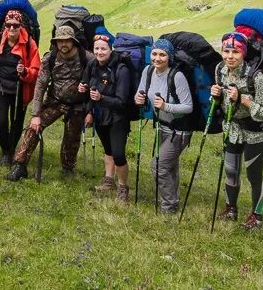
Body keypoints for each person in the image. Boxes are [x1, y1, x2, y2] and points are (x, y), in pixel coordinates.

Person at [7, 25, 90, 181]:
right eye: (60, 41)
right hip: (55, 101)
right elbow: (40, 86)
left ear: (73, 41)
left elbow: (96, 80)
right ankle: (20, 165)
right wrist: (35, 114)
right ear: (55, 42)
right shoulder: (49, 58)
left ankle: (67, 170)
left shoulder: (87, 58)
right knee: (33, 128)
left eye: (66, 41)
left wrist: (91, 110)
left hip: (78, 105)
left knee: (72, 140)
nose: (63, 44)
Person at [211, 31, 263, 230]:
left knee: (254, 175)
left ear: (243, 53)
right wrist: (216, 97)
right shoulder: (220, 69)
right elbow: (221, 100)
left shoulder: (256, 77)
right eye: (226, 51)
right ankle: (231, 209)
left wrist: (245, 101)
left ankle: (257, 216)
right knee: (231, 170)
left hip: (256, 132)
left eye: (235, 52)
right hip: (232, 127)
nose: (230, 56)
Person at [133, 38, 193, 214]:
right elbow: (141, 92)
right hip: (162, 126)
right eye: (154, 53)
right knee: (169, 166)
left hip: (180, 130)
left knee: (158, 166)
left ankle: (168, 206)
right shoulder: (148, 70)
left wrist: (166, 106)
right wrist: (138, 99)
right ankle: (173, 200)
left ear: (170, 57)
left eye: (162, 54)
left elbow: (188, 107)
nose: (157, 58)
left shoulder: (177, 76)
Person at [0, 10, 40, 166]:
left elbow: (36, 70)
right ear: (5, 26)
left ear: (21, 26)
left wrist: (25, 71)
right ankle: (6, 151)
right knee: (0, 123)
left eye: (15, 25)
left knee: (17, 123)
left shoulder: (29, 44)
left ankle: (11, 150)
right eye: (9, 25)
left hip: (20, 89)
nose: (12, 28)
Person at [79, 26, 132, 203]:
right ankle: (109, 181)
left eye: (103, 49)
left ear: (111, 49)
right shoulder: (92, 65)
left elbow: (122, 102)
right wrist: (83, 91)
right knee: (108, 150)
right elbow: (87, 88)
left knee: (118, 154)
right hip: (99, 115)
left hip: (118, 118)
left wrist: (102, 98)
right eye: (97, 49)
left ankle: (123, 187)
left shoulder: (121, 69)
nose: (99, 52)